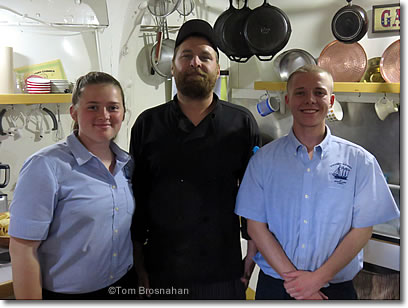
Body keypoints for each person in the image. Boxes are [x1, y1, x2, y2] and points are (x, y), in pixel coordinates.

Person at [234, 64, 400, 300]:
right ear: (288, 100)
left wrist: (318, 279)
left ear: (331, 100)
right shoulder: (263, 161)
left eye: (319, 92)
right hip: (276, 288)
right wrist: (298, 284)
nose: (310, 99)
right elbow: (256, 227)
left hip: (335, 289)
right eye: (300, 92)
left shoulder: (360, 161)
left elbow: (362, 230)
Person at [130, 19, 260, 299]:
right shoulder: (147, 124)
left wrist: (252, 252)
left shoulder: (241, 123)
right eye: (186, 56)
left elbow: (254, 197)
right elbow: (136, 198)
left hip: (223, 269)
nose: (195, 63)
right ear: (173, 66)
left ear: (216, 68)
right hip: (161, 269)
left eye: (205, 56)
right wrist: (138, 264)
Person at [9, 72, 136, 299]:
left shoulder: (126, 164)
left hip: (123, 286)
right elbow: (22, 250)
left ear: (123, 113)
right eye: (93, 107)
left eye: (113, 107)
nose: (104, 115)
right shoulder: (46, 166)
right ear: (74, 112)